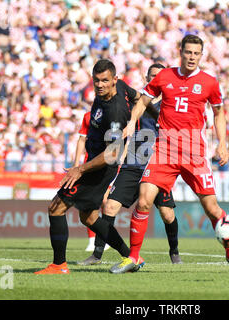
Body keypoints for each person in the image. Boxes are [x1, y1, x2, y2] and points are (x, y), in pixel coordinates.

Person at [111, 34, 229, 274]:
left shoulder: (209, 82)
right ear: (181, 51)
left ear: (201, 55)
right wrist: (131, 122)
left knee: (212, 208)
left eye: (196, 53)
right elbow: (143, 101)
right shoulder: (164, 76)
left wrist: (222, 144)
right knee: (144, 199)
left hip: (194, 152)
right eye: (188, 52)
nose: (192, 57)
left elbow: (219, 114)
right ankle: (133, 257)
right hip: (164, 149)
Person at [34, 59, 140, 274]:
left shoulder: (115, 112)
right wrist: (149, 114)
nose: (100, 85)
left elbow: (112, 154)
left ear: (114, 80)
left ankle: (58, 265)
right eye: (97, 80)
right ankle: (131, 258)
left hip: (99, 166)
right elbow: (140, 98)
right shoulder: (117, 88)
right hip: (94, 163)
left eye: (105, 81)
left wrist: (80, 169)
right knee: (89, 217)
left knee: (56, 208)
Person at [79, 63, 183, 267]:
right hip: (132, 165)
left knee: (167, 213)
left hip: (157, 166)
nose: (155, 79)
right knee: (109, 206)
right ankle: (97, 254)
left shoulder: (171, 105)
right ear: (146, 78)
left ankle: (174, 252)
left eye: (159, 76)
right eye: (152, 76)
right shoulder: (138, 104)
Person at [70, 111, 109, 252]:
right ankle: (93, 240)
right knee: (89, 201)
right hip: (90, 164)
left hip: (109, 163)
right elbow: (81, 139)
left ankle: (105, 238)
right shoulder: (88, 115)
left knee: (105, 201)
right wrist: (76, 164)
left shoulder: (116, 112)